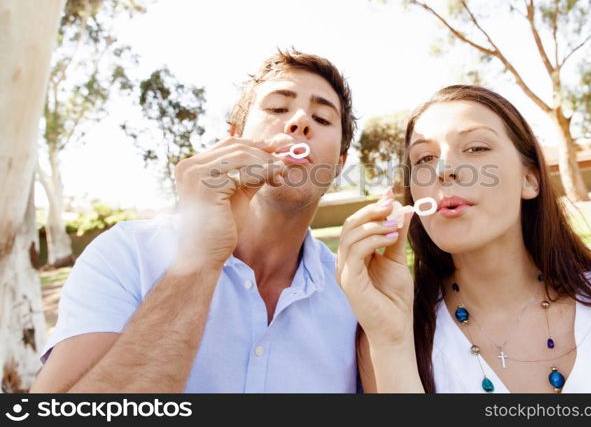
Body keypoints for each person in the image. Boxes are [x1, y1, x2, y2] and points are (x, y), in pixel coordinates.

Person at [31, 49, 359, 393]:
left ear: (338, 164)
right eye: (278, 108)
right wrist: (198, 260)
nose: (300, 120)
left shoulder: (356, 297)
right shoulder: (125, 255)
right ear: (234, 137)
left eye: (322, 118)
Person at [336, 85, 591, 393]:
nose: (444, 170)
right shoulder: (392, 339)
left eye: (476, 148)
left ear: (530, 179)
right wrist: (391, 342)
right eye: (425, 158)